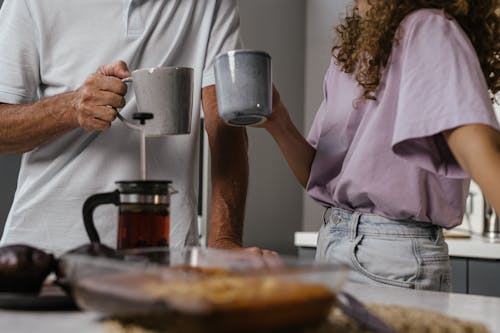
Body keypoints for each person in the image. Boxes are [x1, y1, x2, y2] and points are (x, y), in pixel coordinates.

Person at [261, 0, 500, 291]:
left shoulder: (427, 28)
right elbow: (318, 176)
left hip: (393, 259)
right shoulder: (346, 57)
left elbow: (480, 152)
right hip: (332, 245)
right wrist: (278, 121)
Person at [0, 0, 252, 256]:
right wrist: (71, 107)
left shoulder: (210, 4)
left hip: (163, 248)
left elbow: (225, 122)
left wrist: (224, 241)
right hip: (41, 248)